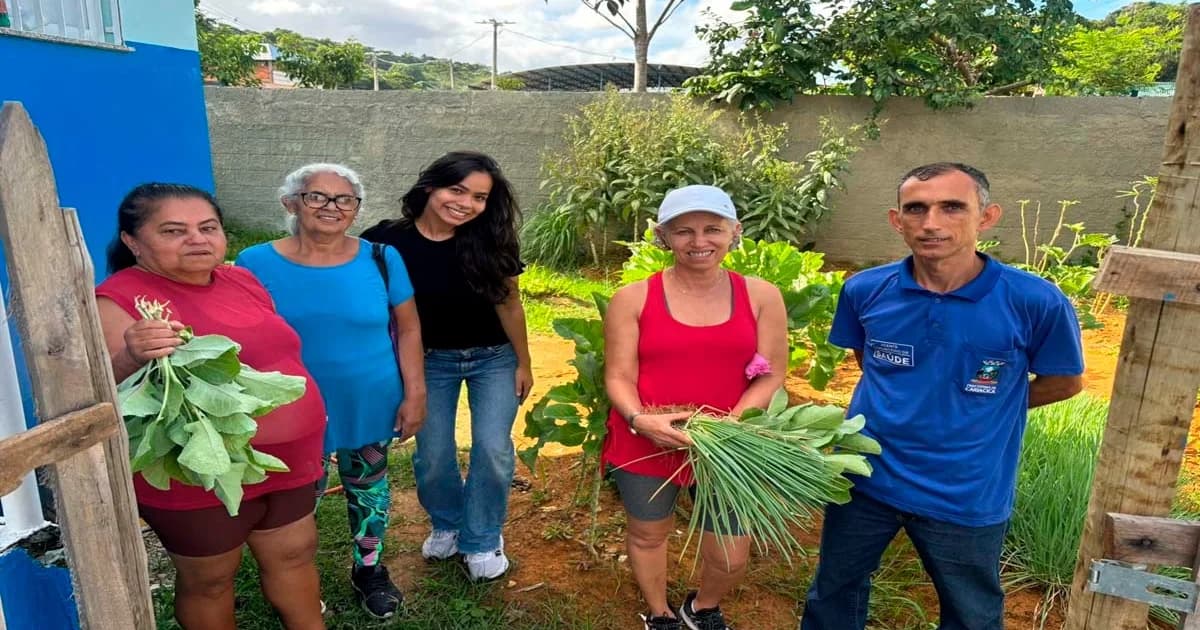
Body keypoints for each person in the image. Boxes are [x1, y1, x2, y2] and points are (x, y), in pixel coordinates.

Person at [800, 163, 1085, 630]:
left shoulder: (1035, 300)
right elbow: (868, 361)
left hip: (966, 489)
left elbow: (1064, 382)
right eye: (916, 209)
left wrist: (987, 407)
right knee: (834, 591)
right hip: (866, 477)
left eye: (952, 207)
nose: (931, 222)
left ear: (986, 217)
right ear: (897, 220)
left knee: (971, 612)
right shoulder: (866, 290)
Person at [96, 184, 327, 630]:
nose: (197, 239)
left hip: (286, 459)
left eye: (207, 227)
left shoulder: (240, 278)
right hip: (200, 466)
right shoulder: (120, 299)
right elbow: (108, 393)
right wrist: (130, 356)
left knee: (295, 556)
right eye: (173, 230)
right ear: (132, 241)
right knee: (211, 580)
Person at [236, 163, 425, 619]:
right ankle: (297, 577)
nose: (331, 207)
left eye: (344, 200)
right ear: (291, 203)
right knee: (300, 496)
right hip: (291, 405)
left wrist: (415, 392)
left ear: (356, 209)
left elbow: (409, 326)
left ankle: (370, 569)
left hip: (370, 396)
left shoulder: (381, 258)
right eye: (317, 196)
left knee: (369, 488)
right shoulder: (254, 263)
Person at [602, 184, 789, 630]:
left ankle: (702, 607)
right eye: (683, 231)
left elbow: (772, 372)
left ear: (734, 232)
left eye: (712, 229)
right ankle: (660, 613)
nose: (698, 241)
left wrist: (733, 426)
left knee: (730, 550)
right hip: (647, 438)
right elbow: (618, 376)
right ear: (663, 236)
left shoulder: (762, 295)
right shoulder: (633, 298)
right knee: (649, 533)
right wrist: (640, 419)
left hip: (731, 444)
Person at [360, 151, 531, 582]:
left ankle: (483, 537)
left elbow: (509, 302)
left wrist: (524, 361)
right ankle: (448, 522)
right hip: (428, 362)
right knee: (433, 455)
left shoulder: (491, 239)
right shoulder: (386, 242)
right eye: (457, 190)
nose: (466, 203)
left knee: (492, 449)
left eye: (479, 197)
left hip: (493, 357)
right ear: (430, 187)